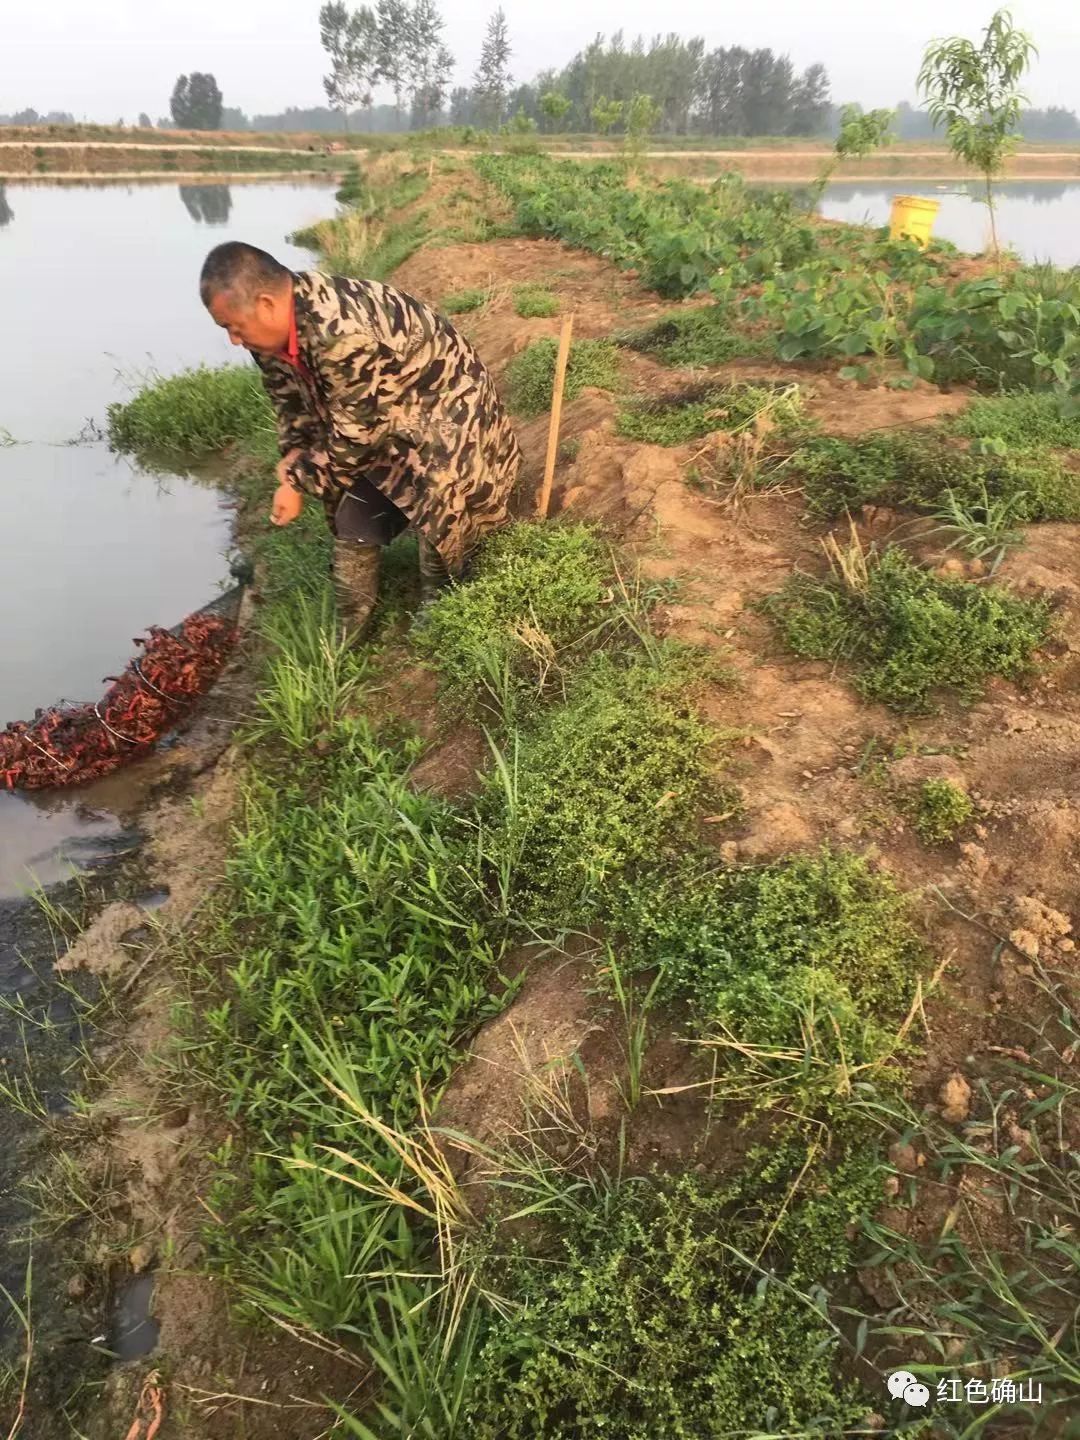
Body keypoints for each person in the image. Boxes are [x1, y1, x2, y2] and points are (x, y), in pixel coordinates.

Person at [199, 241, 522, 637]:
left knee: (437, 499)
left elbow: (356, 440)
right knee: (347, 505)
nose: (233, 339)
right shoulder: (271, 334)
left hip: (445, 410)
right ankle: (353, 621)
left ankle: (441, 602)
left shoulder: (341, 333)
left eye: (233, 327)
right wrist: (294, 453)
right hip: (383, 411)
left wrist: (297, 482)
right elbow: (289, 401)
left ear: (266, 304)